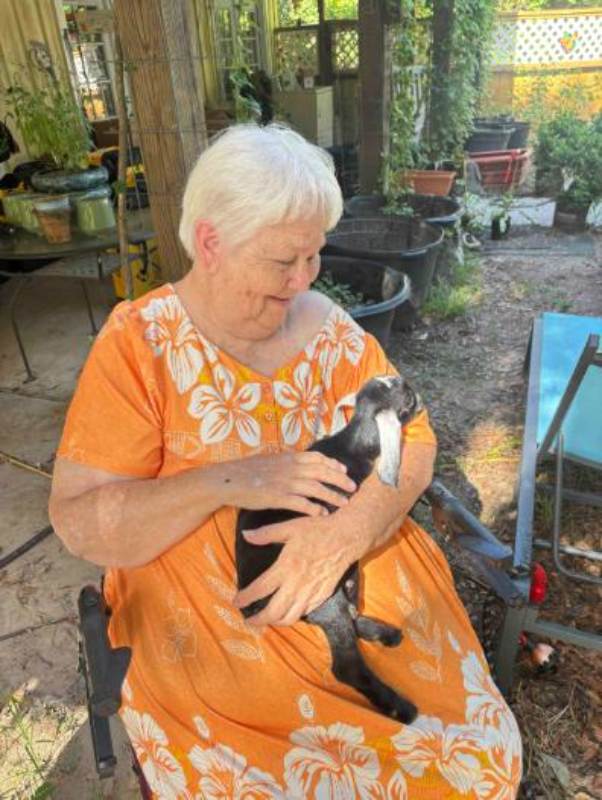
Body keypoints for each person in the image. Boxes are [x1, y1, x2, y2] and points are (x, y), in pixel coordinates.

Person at [49, 123, 521, 799]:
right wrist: (229, 479)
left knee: (476, 763)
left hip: (355, 588)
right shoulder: (141, 344)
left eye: (314, 254)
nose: (303, 279)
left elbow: (414, 439)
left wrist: (347, 534)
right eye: (282, 261)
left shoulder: (328, 328)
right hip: (215, 629)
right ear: (211, 242)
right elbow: (80, 521)